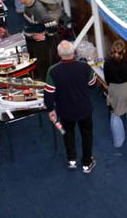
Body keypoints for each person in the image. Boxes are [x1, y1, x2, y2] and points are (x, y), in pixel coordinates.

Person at [44, 41, 98, 173]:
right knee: (87, 135)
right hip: (84, 109)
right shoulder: (84, 67)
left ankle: (72, 160)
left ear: (58, 54)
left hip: (65, 110)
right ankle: (87, 163)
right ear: (74, 52)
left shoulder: (53, 70)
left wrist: (51, 109)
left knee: (67, 133)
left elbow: (49, 93)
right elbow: (93, 84)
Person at [104, 39, 127, 148]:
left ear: (112, 50)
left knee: (115, 114)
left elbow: (107, 80)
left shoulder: (107, 63)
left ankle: (118, 141)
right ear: (124, 51)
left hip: (115, 92)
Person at [17, 0, 57, 81]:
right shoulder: (27, 5)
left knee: (43, 65)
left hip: (39, 44)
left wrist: (45, 36)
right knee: (35, 63)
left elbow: (53, 26)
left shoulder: (38, 9)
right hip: (31, 41)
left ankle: (46, 83)